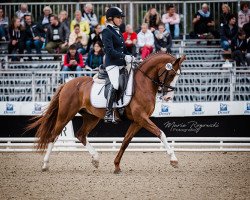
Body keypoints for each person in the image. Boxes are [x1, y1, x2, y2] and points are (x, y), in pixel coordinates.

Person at [102, 7, 134, 123]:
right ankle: (108, 112)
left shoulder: (118, 31)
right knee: (115, 84)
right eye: (118, 17)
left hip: (121, 63)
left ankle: (121, 105)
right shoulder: (106, 31)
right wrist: (124, 57)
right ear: (111, 19)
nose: (121, 20)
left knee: (130, 81)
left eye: (121, 18)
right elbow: (109, 51)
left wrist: (131, 56)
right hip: (112, 64)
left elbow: (124, 49)